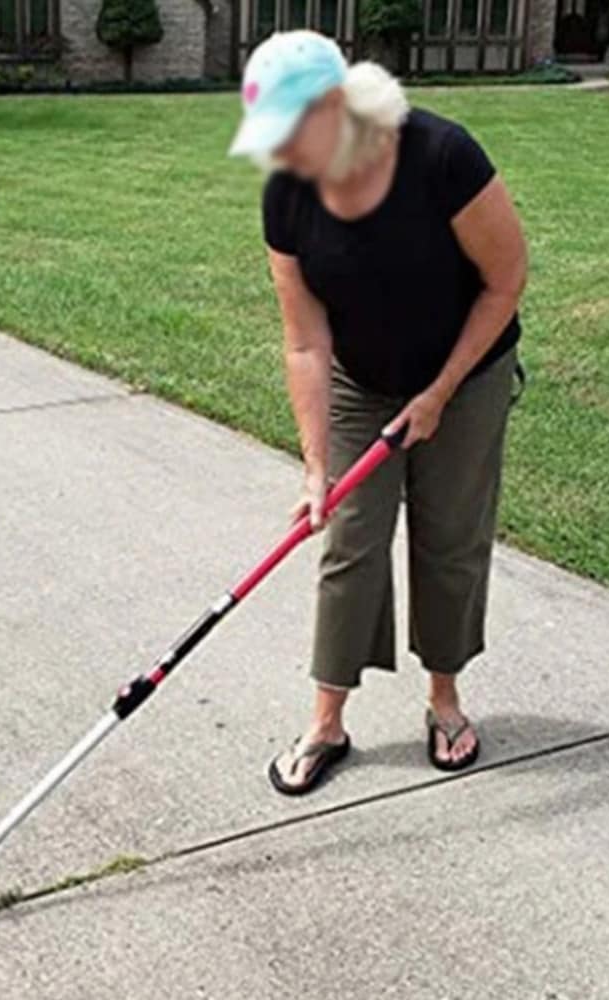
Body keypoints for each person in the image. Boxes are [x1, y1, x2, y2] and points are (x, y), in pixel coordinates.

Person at [228, 31, 528, 794]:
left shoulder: (441, 156)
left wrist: (439, 392)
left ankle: (444, 700)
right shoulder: (286, 195)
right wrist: (315, 465)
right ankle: (327, 721)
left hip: (468, 370)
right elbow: (305, 341)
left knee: (449, 535)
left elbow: (506, 280)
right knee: (348, 540)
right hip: (362, 381)